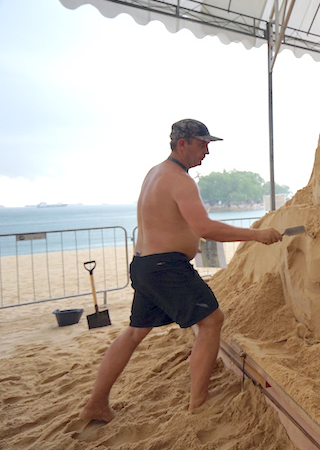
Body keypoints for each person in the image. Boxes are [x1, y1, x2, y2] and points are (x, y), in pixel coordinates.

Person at [80, 119, 282, 422]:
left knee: (135, 332)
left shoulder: (155, 173)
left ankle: (96, 403)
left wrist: (187, 242)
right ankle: (199, 399)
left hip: (145, 265)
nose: (207, 151)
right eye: (203, 144)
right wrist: (257, 234)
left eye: (209, 145)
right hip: (165, 268)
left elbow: (165, 221)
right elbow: (204, 227)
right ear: (182, 143)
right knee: (212, 321)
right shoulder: (180, 180)